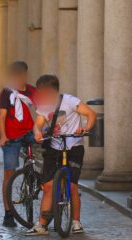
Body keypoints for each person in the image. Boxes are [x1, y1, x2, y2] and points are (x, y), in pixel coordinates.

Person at [26, 75, 96, 236]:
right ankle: (42, 225)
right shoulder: (43, 105)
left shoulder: (71, 101)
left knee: (72, 186)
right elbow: (37, 125)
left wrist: (85, 128)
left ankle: (76, 222)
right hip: (54, 146)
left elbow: (91, 115)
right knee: (48, 186)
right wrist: (37, 133)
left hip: (73, 146)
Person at [0, 61, 36, 227]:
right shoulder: (6, 92)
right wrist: (3, 136)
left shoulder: (31, 90)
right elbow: (2, 116)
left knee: (50, 150)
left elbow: (45, 109)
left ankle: (36, 184)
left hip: (29, 133)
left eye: (22, 74)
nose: (19, 78)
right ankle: (8, 213)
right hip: (12, 137)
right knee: (9, 173)